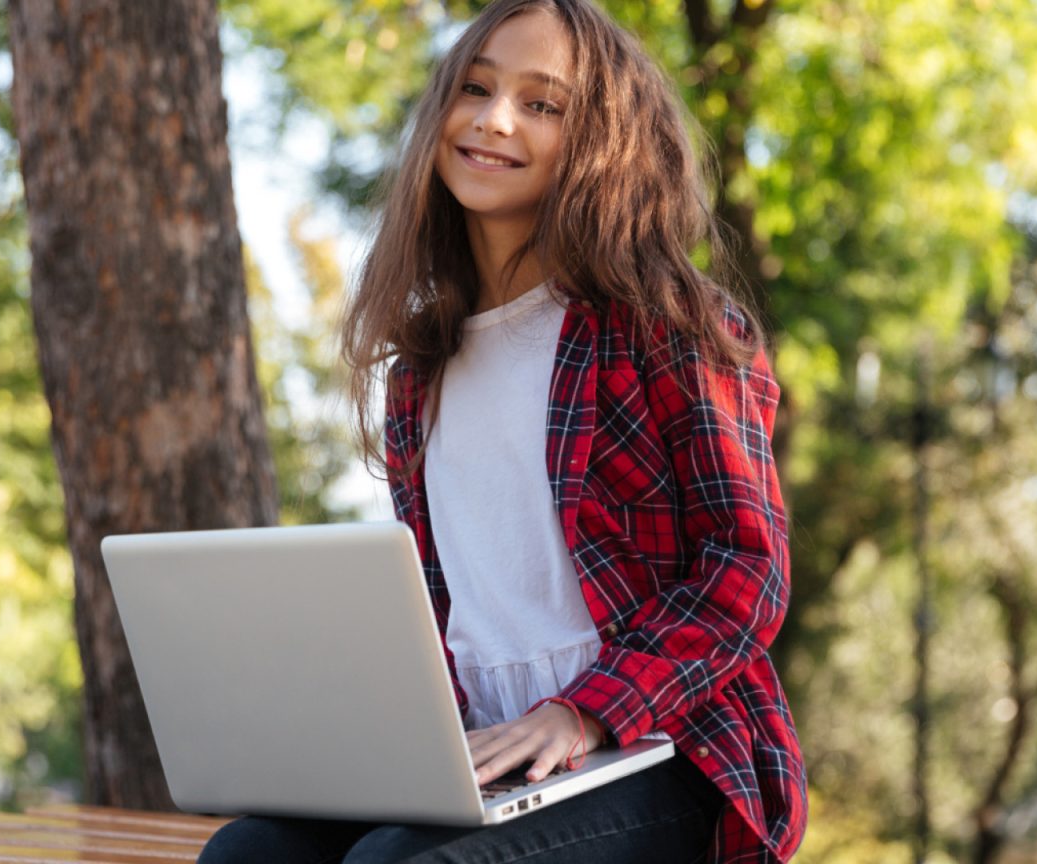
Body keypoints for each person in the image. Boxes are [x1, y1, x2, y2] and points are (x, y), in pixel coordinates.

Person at [199, 0, 805, 861]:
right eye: (475, 89)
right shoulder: (421, 365)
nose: (493, 120)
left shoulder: (668, 326)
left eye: (542, 104)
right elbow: (449, 610)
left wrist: (587, 709)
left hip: (659, 750)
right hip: (488, 751)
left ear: (603, 140)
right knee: (247, 853)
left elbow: (749, 570)